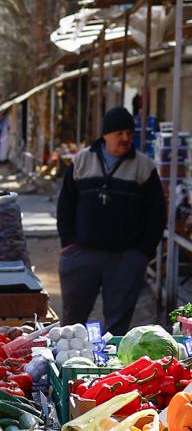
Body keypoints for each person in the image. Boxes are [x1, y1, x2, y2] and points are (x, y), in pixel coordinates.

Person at [56, 105, 165, 333]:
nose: (126, 138)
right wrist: (68, 244)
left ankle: (111, 369)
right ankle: (68, 365)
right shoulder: (82, 161)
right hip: (81, 255)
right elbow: (65, 205)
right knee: (72, 324)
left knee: (117, 327)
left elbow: (157, 214)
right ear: (105, 135)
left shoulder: (144, 167)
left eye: (129, 133)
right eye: (119, 133)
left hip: (126, 258)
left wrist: (143, 253)